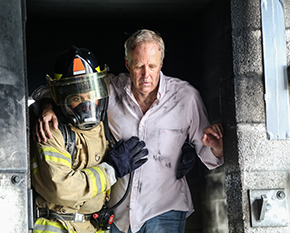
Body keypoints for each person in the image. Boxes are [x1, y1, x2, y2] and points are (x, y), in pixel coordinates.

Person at [32, 29, 224, 233]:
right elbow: (58, 89)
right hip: (118, 213)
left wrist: (216, 148)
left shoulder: (186, 97)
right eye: (138, 66)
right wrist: (47, 106)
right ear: (127, 64)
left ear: (161, 63)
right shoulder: (109, 90)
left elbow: (209, 158)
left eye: (152, 66)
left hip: (164, 210)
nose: (146, 75)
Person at [29, 45, 148, 233]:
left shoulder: (105, 125)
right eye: (76, 97)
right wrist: (111, 170)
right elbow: (61, 188)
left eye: (90, 95)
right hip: (58, 226)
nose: (86, 105)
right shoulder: (49, 130)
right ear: (62, 98)